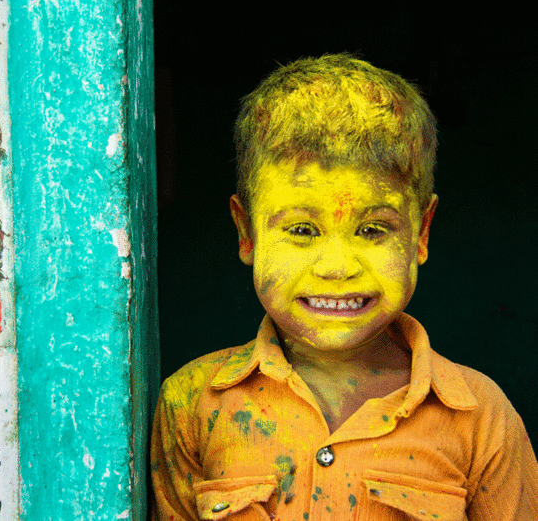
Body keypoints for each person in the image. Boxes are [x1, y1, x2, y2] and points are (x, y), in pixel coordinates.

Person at [150, 54, 538, 520]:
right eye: (301, 230)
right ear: (246, 233)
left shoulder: (480, 418)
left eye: (374, 230)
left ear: (421, 234)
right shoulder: (193, 404)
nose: (336, 267)